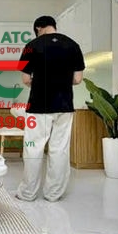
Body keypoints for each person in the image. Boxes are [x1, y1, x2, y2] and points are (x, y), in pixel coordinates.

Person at [14, 15, 85, 202]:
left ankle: (28, 193)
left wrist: (41, 83)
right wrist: (61, 82)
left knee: (33, 149)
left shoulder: (31, 46)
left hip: (38, 105)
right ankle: (53, 194)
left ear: (39, 28)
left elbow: (25, 79)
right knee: (59, 149)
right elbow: (78, 79)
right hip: (64, 106)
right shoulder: (73, 45)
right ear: (53, 26)